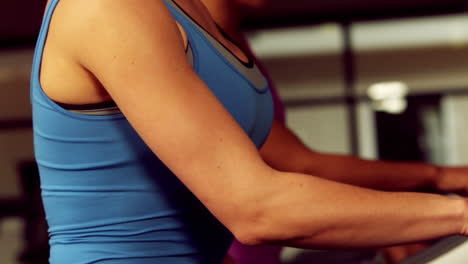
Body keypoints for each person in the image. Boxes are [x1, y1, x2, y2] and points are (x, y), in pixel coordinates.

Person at [31, 0, 468, 264]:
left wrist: (393, 226)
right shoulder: (108, 9)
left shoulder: (192, 12)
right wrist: (456, 213)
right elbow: (257, 208)